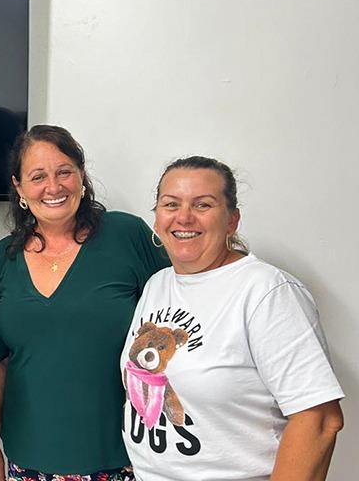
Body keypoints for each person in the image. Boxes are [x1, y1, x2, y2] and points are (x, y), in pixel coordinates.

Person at [121, 156, 344, 480]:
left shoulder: (266, 291)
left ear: (232, 220)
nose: (184, 217)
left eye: (203, 205)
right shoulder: (159, 284)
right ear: (156, 218)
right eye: (171, 204)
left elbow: (320, 421)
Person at [0, 125, 170, 481]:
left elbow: (180, 312)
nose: (53, 187)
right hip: (28, 459)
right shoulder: (4, 257)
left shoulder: (127, 235)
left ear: (81, 176)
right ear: (19, 188)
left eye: (64, 171)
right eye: (38, 177)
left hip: (121, 456)